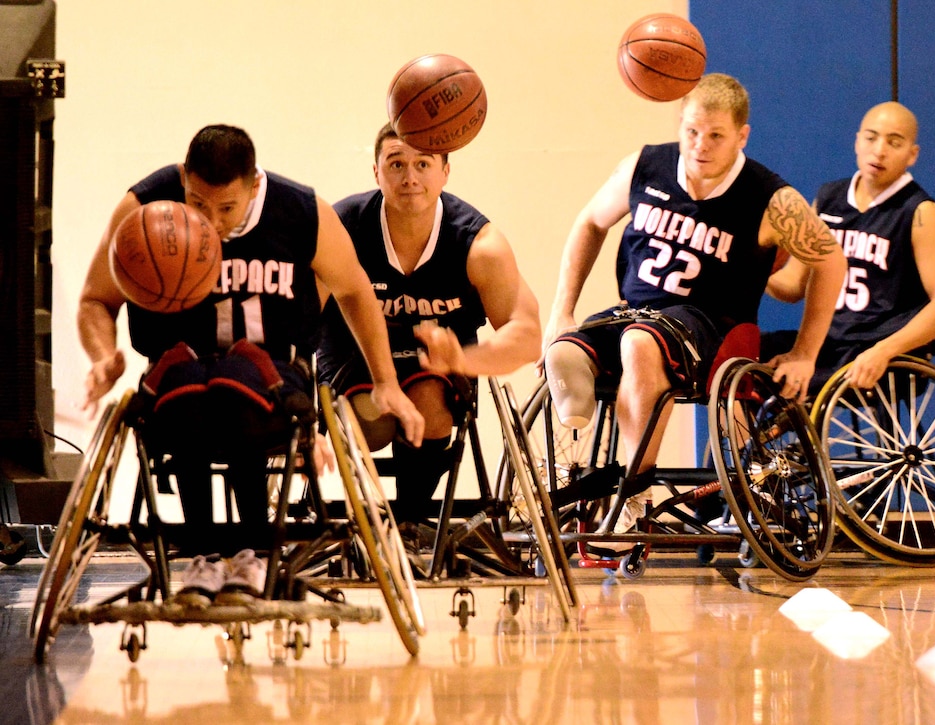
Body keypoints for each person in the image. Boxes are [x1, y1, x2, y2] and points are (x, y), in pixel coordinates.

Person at [77, 124, 424, 605]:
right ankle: (200, 557)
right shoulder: (145, 208)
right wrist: (102, 358)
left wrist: (385, 382)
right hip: (180, 372)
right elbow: (96, 298)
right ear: (183, 179)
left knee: (234, 385)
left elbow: (356, 291)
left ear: (254, 187)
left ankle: (252, 553)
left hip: (272, 374)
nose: (212, 222)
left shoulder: (301, 212)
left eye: (226, 209)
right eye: (198, 204)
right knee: (190, 387)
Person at [540, 74, 847, 537]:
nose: (700, 145)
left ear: (741, 136)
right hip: (635, 311)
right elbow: (589, 223)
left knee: (640, 344)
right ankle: (577, 416)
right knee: (568, 346)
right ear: (680, 124)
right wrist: (562, 310)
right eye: (691, 131)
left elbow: (830, 263)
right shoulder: (645, 165)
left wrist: (805, 352)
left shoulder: (770, 197)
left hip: (713, 324)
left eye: (716, 135)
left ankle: (634, 494)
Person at [316, 122, 541, 544]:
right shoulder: (341, 228)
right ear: (376, 171)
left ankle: (409, 521)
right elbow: (297, 316)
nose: (410, 177)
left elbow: (527, 335)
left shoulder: (479, 243)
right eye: (396, 163)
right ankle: (366, 520)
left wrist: (462, 358)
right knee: (373, 421)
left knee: (429, 405)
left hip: (437, 364)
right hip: (353, 354)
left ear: (445, 171)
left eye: (423, 163)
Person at [763, 101, 935, 395]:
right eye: (871, 137)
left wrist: (884, 350)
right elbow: (794, 286)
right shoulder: (829, 199)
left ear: (912, 154)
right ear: (857, 141)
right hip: (828, 344)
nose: (879, 150)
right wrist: (750, 267)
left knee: (784, 379)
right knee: (740, 364)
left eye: (894, 142)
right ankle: (743, 442)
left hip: (880, 351)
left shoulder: (919, 212)